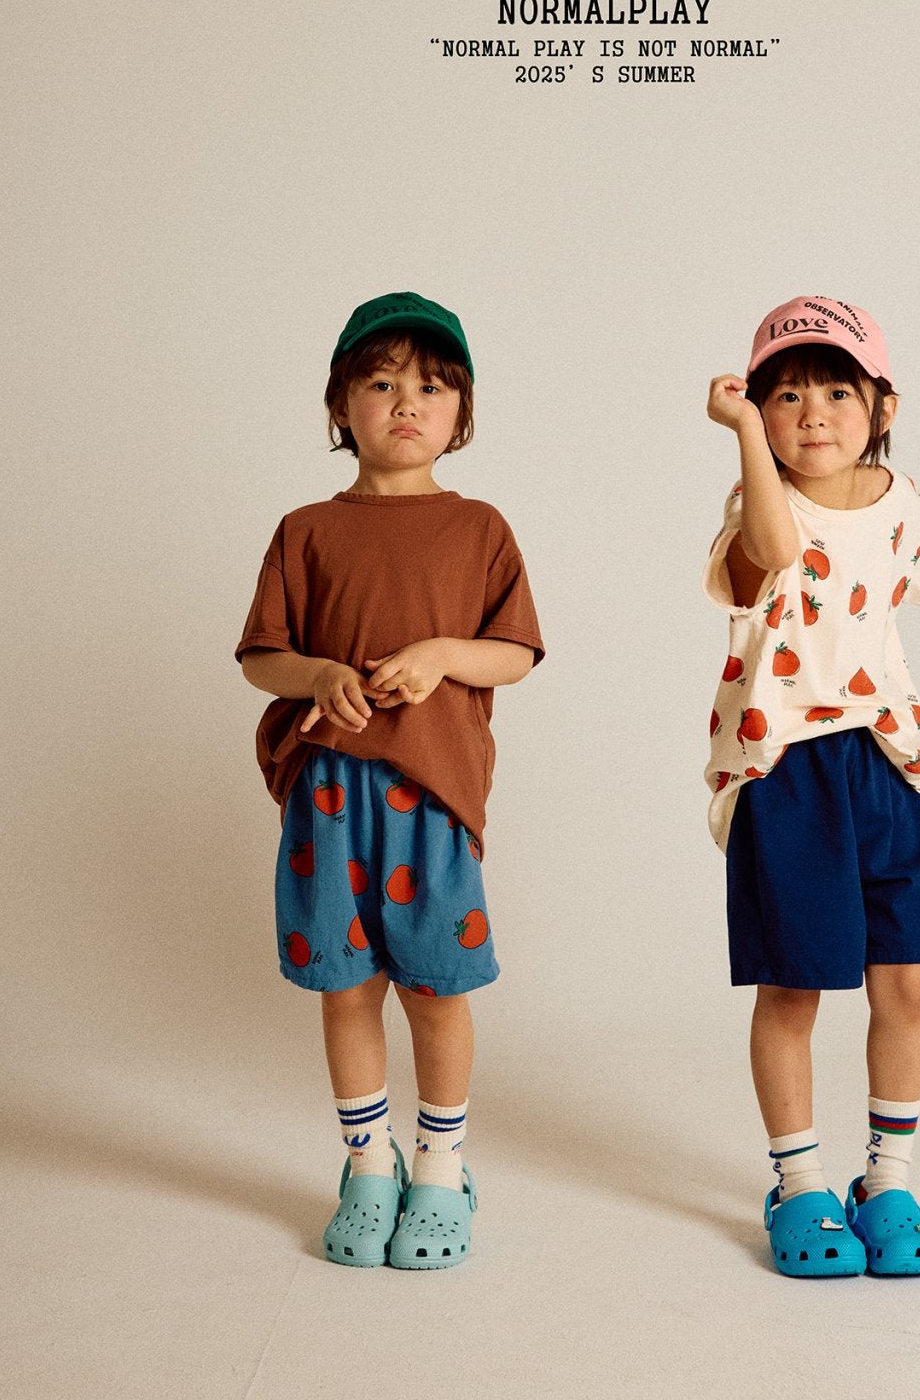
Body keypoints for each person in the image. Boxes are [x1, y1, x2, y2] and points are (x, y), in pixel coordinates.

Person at [704, 295, 920, 1277]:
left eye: (836, 392)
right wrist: (740, 436)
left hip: (886, 756)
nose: (812, 413)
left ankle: (886, 1179)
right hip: (789, 766)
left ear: (882, 405)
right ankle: (799, 1182)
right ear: (758, 412)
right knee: (796, 984)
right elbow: (777, 549)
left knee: (906, 979)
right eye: (785, 396)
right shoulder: (758, 504)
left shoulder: (898, 495)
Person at [236, 291, 544, 1269]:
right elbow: (261, 657)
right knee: (345, 985)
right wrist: (317, 676)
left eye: (432, 386)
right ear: (341, 407)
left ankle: (441, 1167)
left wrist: (446, 653)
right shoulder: (304, 530)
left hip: (433, 800)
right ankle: (369, 1164)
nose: (406, 402)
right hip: (328, 795)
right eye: (380, 384)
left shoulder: (480, 529)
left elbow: (516, 653)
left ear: (461, 412)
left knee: (436, 988)